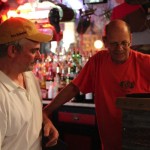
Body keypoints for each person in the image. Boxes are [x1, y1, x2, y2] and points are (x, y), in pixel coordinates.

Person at [43, 19, 150, 150]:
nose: (120, 48)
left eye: (124, 43)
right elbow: (73, 88)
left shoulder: (145, 63)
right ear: (105, 42)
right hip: (109, 144)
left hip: (139, 143)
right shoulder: (98, 61)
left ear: (131, 40)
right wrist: (47, 110)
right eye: (114, 44)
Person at [0, 17, 59, 150]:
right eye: (33, 51)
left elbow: (29, 111)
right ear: (13, 51)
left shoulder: (29, 77)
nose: (39, 56)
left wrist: (45, 121)